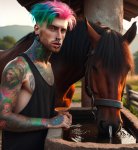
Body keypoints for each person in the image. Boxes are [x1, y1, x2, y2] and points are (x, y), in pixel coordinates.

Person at [0, 1, 76, 150]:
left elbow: (35, 110)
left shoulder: (48, 66)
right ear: (37, 29)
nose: (59, 36)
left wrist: (58, 116)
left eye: (63, 30)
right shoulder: (17, 67)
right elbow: (3, 119)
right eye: (53, 28)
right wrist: (51, 122)